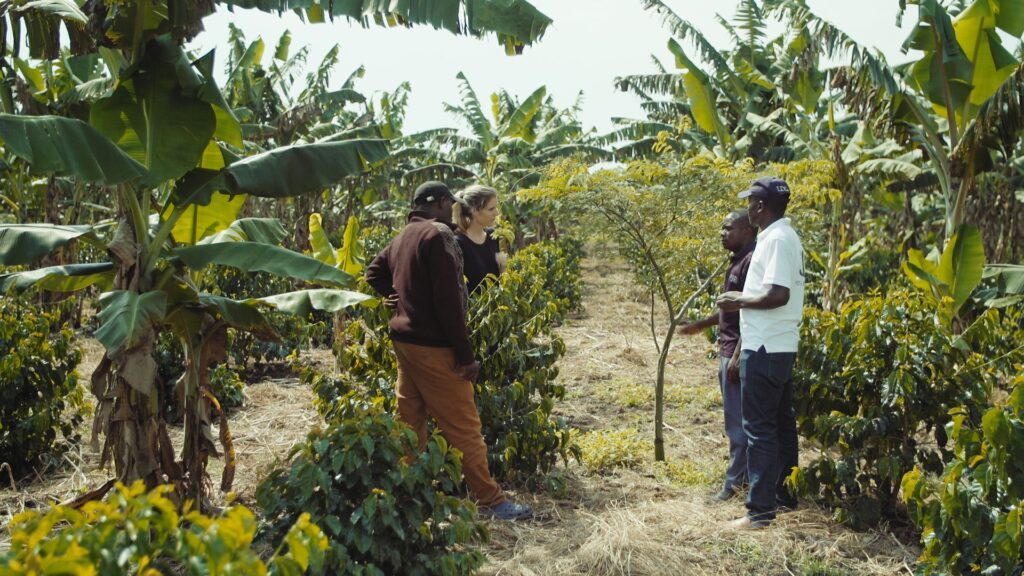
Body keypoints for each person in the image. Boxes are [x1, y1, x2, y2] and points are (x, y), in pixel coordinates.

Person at [365, 180, 533, 521]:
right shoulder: (438, 234)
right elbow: (449, 302)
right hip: (433, 345)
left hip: (404, 342)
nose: (453, 210)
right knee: (464, 425)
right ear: (439, 203)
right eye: (449, 204)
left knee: (410, 424)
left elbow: (374, 273)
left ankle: (406, 495)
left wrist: (393, 298)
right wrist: (465, 355)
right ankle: (491, 500)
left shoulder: (403, 237)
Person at [716, 176, 805, 529]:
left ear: (761, 207)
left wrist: (739, 300)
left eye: (751, 202)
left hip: (766, 347)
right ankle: (783, 497)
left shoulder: (779, 239)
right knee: (781, 426)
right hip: (776, 345)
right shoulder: (780, 236)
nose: (749, 208)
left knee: (760, 431)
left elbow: (778, 294)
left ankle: (759, 512)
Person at [678, 210, 756, 502]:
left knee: (738, 424)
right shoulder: (737, 261)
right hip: (728, 348)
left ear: (747, 231)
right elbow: (731, 308)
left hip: (736, 351)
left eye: (728, 228)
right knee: (736, 420)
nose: (722, 233)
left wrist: (737, 356)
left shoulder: (750, 263)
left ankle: (734, 485)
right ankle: (743, 479)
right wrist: (702, 325)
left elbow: (751, 312)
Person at [453, 184, 508, 294]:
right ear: (474, 210)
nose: (497, 213)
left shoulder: (493, 236)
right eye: (491, 209)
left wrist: (503, 267)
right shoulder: (458, 243)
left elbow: (498, 282)